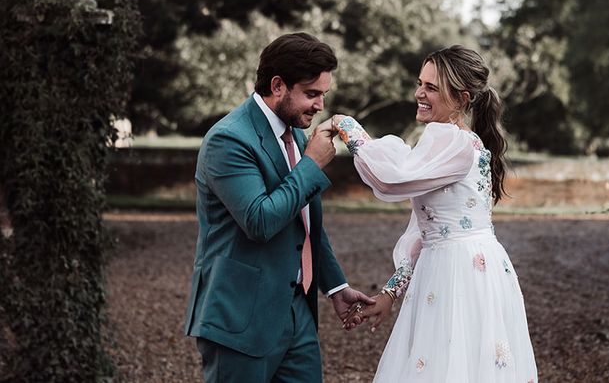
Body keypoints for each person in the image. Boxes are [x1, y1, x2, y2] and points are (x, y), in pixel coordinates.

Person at [326, 45, 537, 382]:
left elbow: (390, 178)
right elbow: (424, 229)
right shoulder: (454, 141)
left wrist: (345, 125)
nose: (418, 94)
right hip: (463, 266)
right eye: (419, 83)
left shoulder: (451, 141)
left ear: (462, 98)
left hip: (460, 272)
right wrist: (391, 292)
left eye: (431, 88)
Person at [184, 32, 374, 383]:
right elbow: (260, 220)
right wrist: (310, 167)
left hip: (297, 313)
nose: (319, 106)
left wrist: (335, 286)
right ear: (277, 85)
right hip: (240, 317)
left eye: (323, 95)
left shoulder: (295, 135)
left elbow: (305, 223)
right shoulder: (228, 140)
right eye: (311, 94)